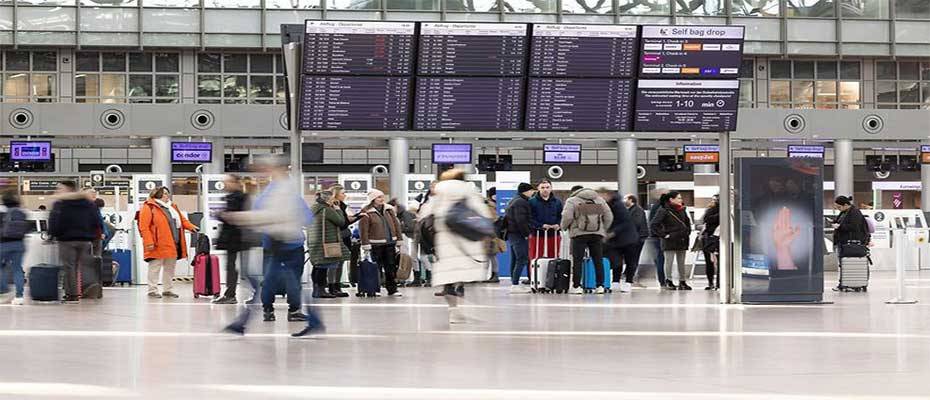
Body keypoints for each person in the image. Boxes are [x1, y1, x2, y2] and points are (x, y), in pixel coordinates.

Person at [222, 155, 317, 333]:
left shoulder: (279, 191)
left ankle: (247, 321)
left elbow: (271, 215)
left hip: (282, 243)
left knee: (270, 282)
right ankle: (303, 316)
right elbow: (306, 217)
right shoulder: (286, 190)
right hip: (285, 243)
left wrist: (239, 218)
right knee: (286, 281)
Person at [419, 168, 495, 324]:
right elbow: (483, 214)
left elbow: (424, 214)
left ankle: (453, 310)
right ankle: (463, 307)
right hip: (466, 239)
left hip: (445, 239)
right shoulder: (468, 190)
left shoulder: (439, 192)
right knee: (462, 274)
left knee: (449, 276)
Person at [138, 186, 199, 299]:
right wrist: (148, 242)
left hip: (173, 241)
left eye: (167, 193)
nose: (167, 195)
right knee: (155, 267)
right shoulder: (149, 207)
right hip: (157, 243)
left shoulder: (172, 207)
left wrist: (191, 227)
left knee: (170, 267)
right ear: (157, 194)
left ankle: (168, 289)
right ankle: (152, 290)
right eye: (165, 193)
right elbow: (144, 227)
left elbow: (182, 220)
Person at [48, 180, 102, 303]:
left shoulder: (60, 203)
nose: (58, 191)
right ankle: (90, 290)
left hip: (66, 239)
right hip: (85, 240)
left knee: (69, 267)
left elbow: (54, 221)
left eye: (60, 188)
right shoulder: (88, 203)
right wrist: (92, 236)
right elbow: (96, 220)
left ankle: (72, 294)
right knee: (83, 266)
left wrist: (52, 235)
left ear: (68, 189)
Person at [561, 186, 613, 294]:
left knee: (578, 260)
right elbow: (609, 216)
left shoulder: (572, 201)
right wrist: (602, 229)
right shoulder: (599, 200)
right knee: (598, 260)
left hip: (579, 234)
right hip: (596, 234)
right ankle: (600, 286)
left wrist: (564, 227)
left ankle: (576, 286)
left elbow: (567, 217)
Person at [213, 174, 251, 304]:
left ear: (235, 183)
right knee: (232, 266)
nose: (225, 185)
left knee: (237, 267)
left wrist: (221, 215)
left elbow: (234, 216)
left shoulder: (239, 198)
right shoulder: (237, 197)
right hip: (237, 237)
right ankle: (231, 293)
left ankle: (231, 294)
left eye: (228, 182)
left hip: (237, 237)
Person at [358, 189, 404, 297]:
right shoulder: (366, 211)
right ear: (373, 199)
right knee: (376, 268)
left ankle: (392, 289)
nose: (382, 199)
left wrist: (399, 239)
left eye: (382, 197)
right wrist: (365, 244)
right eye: (379, 197)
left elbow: (396, 225)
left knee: (391, 267)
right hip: (375, 244)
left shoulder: (389, 210)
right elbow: (363, 229)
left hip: (390, 243)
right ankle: (375, 289)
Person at [307, 189, 351, 300]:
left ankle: (317, 290)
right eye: (332, 199)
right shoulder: (327, 210)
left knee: (317, 266)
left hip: (315, 241)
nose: (333, 201)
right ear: (327, 199)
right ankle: (321, 290)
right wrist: (338, 210)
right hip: (326, 241)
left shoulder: (313, 209)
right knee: (323, 267)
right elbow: (341, 222)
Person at [650, 191, 692, 291]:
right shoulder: (664, 210)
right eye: (678, 198)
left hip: (682, 239)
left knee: (681, 262)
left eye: (680, 198)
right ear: (671, 199)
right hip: (670, 240)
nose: (681, 200)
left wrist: (688, 232)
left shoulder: (682, 209)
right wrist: (664, 235)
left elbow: (687, 222)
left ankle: (682, 281)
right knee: (669, 261)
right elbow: (654, 224)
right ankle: (668, 281)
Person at [603, 191, 640, 293]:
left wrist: (612, 233)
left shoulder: (618, 206)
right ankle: (615, 282)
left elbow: (624, 222)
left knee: (630, 261)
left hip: (628, 239)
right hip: (617, 239)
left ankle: (628, 282)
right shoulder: (608, 205)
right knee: (616, 261)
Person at [0, 191, 30, 305]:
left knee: (1, 267)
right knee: (17, 269)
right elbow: (27, 228)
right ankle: (19, 296)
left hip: (4, 244)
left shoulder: (2, 213)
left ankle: (2, 292)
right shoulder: (22, 213)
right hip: (19, 244)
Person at [327, 184, 356, 297]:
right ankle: (332, 286)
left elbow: (345, 222)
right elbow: (341, 222)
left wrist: (358, 216)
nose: (345, 195)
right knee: (334, 262)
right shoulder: (333, 207)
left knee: (341, 262)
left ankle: (337, 286)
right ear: (336, 194)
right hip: (337, 237)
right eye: (343, 193)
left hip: (344, 236)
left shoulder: (342, 206)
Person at [505, 182, 535, 294]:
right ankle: (515, 284)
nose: (533, 193)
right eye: (531, 190)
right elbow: (521, 220)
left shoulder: (515, 200)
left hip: (512, 234)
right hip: (518, 234)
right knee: (522, 259)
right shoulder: (521, 202)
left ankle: (514, 283)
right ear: (526, 191)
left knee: (515, 259)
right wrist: (526, 234)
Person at [528, 179, 563, 260]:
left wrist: (558, 224)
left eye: (547, 187)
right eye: (543, 187)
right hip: (537, 234)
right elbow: (529, 218)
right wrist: (541, 225)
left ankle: (553, 272)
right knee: (535, 256)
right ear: (538, 188)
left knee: (554, 256)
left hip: (554, 234)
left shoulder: (557, 202)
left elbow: (561, 216)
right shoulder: (531, 202)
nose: (545, 190)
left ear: (551, 188)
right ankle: (534, 272)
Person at [625, 194, 649, 288]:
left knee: (633, 258)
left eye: (625, 199)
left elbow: (636, 223)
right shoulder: (632, 209)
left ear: (631, 200)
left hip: (637, 238)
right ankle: (629, 277)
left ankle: (631, 279)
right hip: (635, 237)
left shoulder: (637, 210)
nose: (624, 201)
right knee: (632, 258)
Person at [648, 191, 670, 288]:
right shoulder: (661, 207)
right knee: (661, 258)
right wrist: (663, 234)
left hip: (656, 236)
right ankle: (664, 281)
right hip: (660, 237)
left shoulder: (656, 206)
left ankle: (663, 280)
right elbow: (655, 223)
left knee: (660, 258)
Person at [701, 196, 721, 290]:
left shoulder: (723, 210)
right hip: (709, 237)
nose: (713, 201)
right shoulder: (710, 210)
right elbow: (706, 220)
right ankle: (711, 282)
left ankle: (718, 283)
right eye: (712, 199)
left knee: (719, 261)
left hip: (716, 237)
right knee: (709, 262)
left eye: (715, 200)